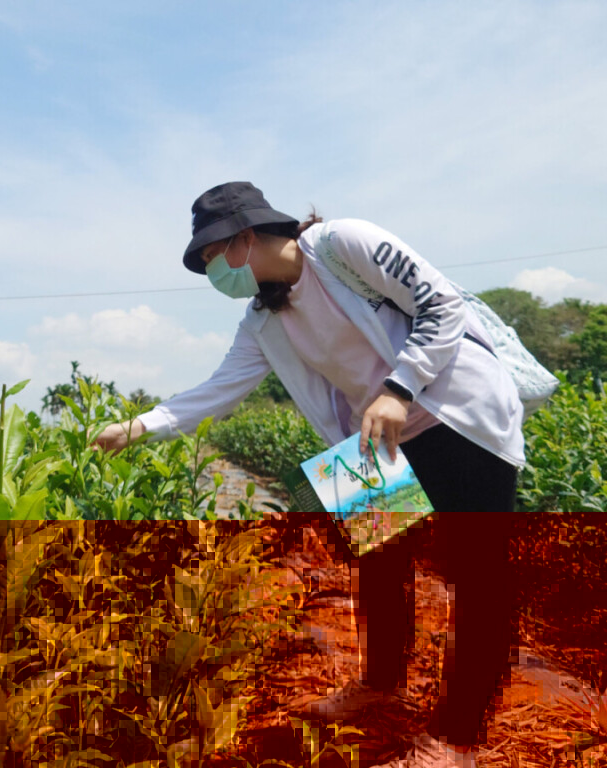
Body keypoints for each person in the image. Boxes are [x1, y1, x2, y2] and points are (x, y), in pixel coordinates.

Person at [94, 182, 522, 768]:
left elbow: (444, 305)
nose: (214, 274)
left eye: (213, 258)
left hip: (454, 412)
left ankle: (459, 738)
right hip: (370, 433)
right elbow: (219, 390)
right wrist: (138, 426)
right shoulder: (264, 318)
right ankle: (379, 684)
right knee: (374, 563)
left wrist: (400, 387)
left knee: (478, 576)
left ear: (244, 238)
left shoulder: (343, 244)